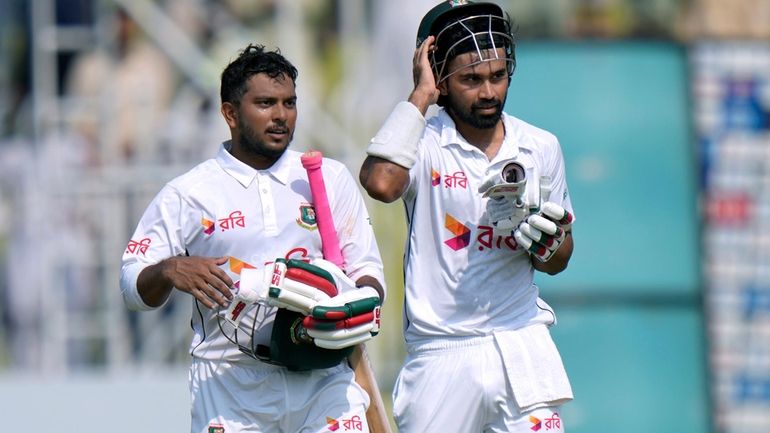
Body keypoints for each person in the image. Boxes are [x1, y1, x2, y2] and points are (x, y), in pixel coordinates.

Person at [120, 44, 386, 433]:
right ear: (229, 113)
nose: (280, 116)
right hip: (230, 381)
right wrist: (169, 269)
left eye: (289, 103)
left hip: (322, 375)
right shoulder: (190, 192)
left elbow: (368, 271)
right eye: (265, 103)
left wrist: (352, 309)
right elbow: (131, 285)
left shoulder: (327, 176)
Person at [360, 1, 575, 432]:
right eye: (470, 80)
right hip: (441, 352)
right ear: (440, 78)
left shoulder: (540, 146)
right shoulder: (422, 142)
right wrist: (420, 95)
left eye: (497, 76)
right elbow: (380, 183)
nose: (488, 92)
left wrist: (547, 242)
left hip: (519, 341)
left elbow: (560, 258)